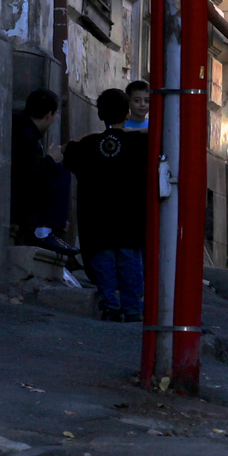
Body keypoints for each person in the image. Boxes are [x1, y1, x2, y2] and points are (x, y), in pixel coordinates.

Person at [65, 89, 148, 321]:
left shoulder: (90, 144)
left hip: (98, 214)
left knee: (103, 258)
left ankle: (110, 304)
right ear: (127, 112)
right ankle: (132, 308)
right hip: (129, 214)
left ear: (100, 114)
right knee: (130, 260)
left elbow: (69, 151)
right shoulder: (139, 143)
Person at [10, 89, 77, 256]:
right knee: (62, 171)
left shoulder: (24, 130)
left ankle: (50, 229)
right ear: (49, 115)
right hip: (19, 202)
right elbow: (28, 173)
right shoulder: (24, 134)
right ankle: (45, 232)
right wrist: (51, 160)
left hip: (21, 197)